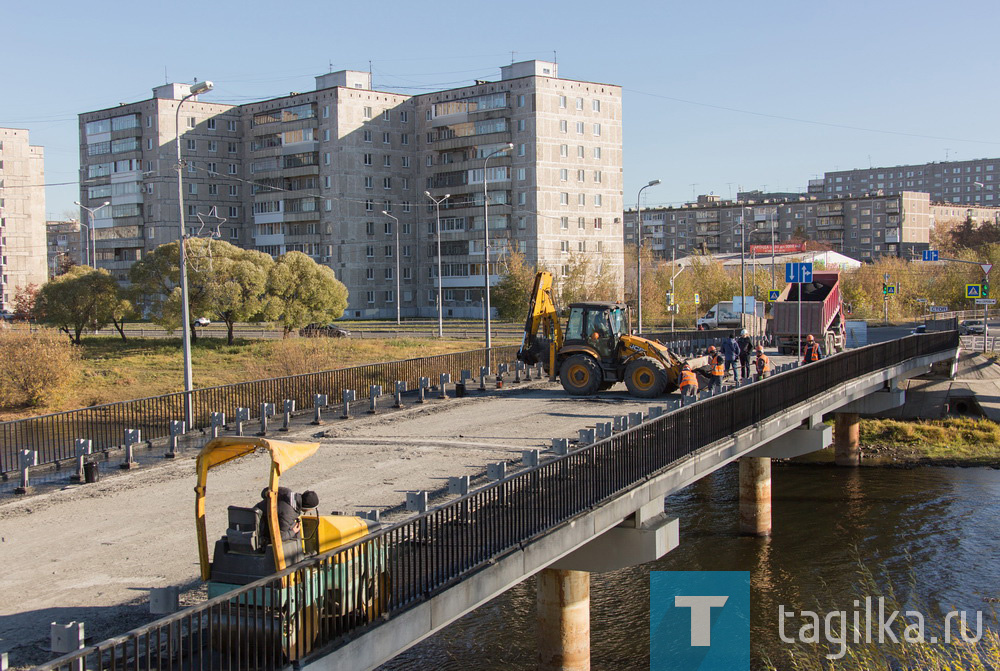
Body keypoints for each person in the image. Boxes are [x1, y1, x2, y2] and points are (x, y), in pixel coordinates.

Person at [255, 487, 320, 543]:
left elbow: (264, 493)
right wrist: (293, 531)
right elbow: (280, 537)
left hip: (254, 515)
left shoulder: (286, 491)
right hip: (262, 528)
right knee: (294, 528)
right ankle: (298, 554)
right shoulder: (289, 514)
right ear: (306, 508)